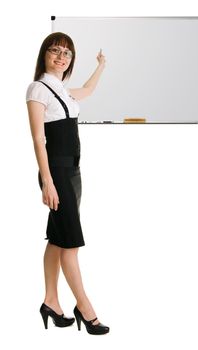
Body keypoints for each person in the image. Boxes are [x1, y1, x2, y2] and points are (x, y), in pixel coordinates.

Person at [26, 32, 109, 335]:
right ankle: (86, 310)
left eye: (67, 54)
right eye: (55, 51)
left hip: (73, 172)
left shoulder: (61, 89)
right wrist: (47, 181)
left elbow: (86, 90)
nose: (61, 57)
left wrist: (101, 65)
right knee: (71, 245)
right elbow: (38, 138)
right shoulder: (38, 88)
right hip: (57, 174)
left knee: (59, 239)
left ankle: (50, 301)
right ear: (44, 55)